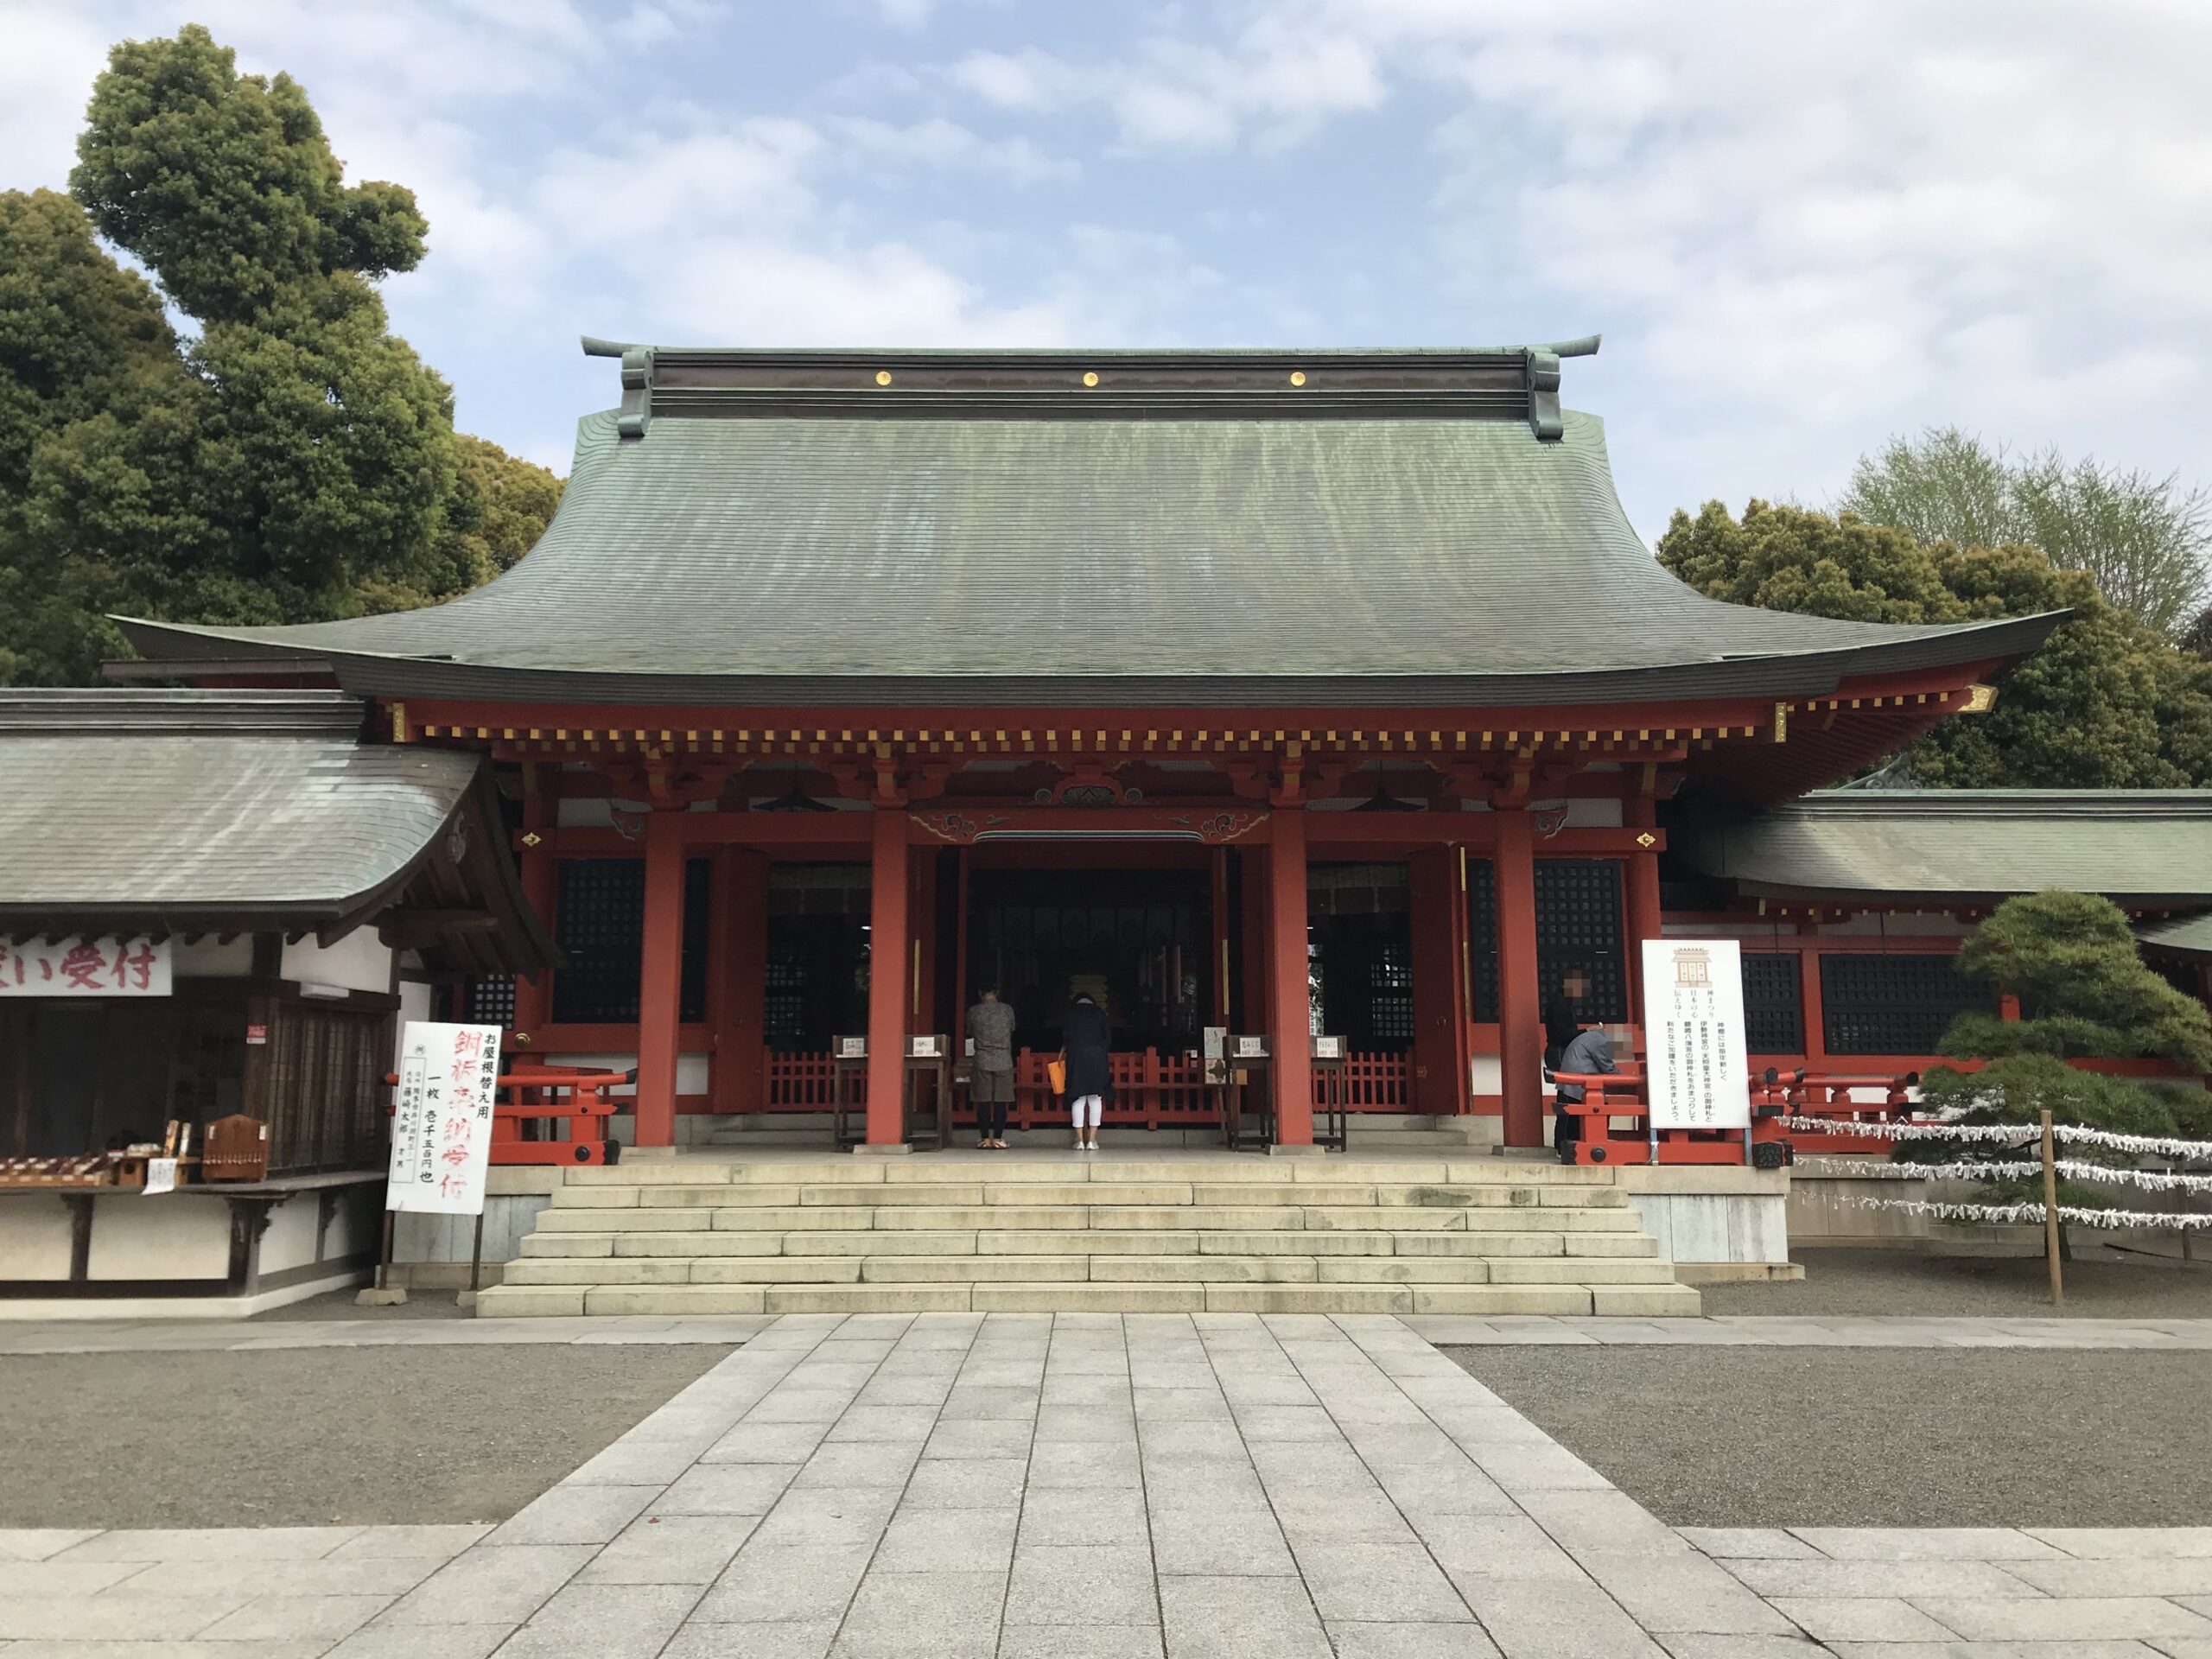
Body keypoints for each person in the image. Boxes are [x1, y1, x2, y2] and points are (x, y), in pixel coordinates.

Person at [1551, 1021, 1618, 1165]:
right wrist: (1623, 1078)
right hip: (1579, 1083)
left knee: (1569, 1118)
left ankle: (1563, 1149)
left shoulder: (1592, 1037)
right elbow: (1608, 1066)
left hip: (1571, 1080)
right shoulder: (1600, 1041)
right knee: (1589, 1114)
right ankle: (1581, 1148)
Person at [1058, 990, 1113, 1152]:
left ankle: (1080, 1141)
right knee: (1095, 1098)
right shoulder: (1100, 1013)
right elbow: (1108, 1038)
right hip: (1097, 1057)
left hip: (1076, 1057)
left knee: (1078, 1098)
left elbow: (1066, 1037)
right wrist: (1099, 1050)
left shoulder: (1071, 1013)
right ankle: (1092, 1140)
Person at [967, 985, 1016, 1149]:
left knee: (983, 1100)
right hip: (1003, 1058)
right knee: (1001, 1101)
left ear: (980, 993)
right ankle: (998, 1138)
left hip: (982, 1058)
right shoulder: (1007, 1010)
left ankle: (984, 1138)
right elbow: (1012, 1028)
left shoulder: (974, 1011)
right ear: (997, 993)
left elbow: (970, 1031)